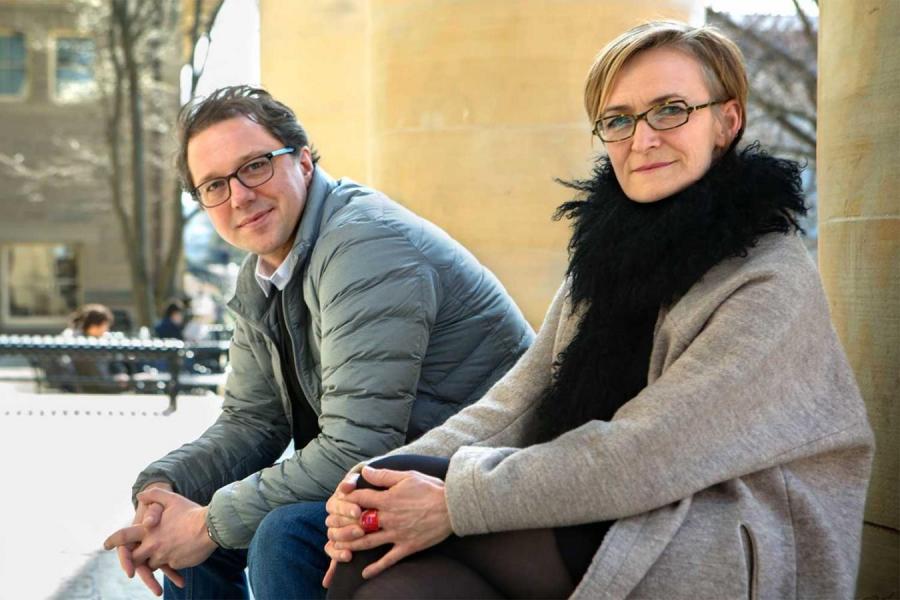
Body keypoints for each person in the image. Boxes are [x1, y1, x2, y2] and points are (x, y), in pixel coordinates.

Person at [322, 21, 875, 599]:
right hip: (592, 500)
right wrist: (372, 477)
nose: (643, 139)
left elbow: (649, 452)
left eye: (671, 109)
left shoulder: (767, 276)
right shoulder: (606, 258)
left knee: (377, 548)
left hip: (719, 533)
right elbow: (516, 403)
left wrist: (455, 502)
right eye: (618, 120)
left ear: (726, 121)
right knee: (388, 565)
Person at [102, 86, 534, 599]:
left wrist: (206, 523)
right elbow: (252, 420)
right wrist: (162, 491)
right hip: (391, 476)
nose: (239, 195)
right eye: (214, 185)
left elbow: (361, 447)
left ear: (303, 161)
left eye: (256, 165)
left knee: (281, 534)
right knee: (195, 516)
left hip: (476, 485)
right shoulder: (263, 272)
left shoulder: (364, 244)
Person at [57, 303, 128, 393]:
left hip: (94, 385)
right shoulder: (81, 343)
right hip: (92, 388)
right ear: (94, 326)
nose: (106, 329)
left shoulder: (92, 339)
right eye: (105, 325)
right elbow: (100, 381)